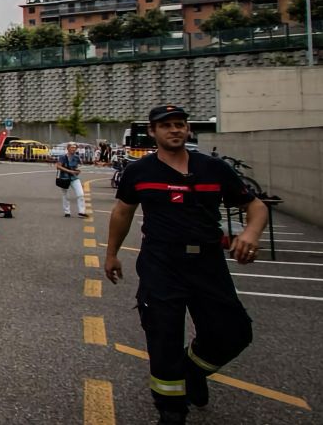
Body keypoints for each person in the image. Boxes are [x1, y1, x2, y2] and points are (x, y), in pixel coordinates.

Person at [104, 105, 268, 424]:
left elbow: (255, 205)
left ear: (188, 129)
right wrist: (111, 254)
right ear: (153, 132)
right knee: (163, 335)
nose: (174, 130)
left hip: (207, 261)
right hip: (160, 261)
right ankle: (171, 409)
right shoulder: (139, 171)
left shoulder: (214, 168)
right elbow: (122, 212)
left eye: (180, 125)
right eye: (166, 126)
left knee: (233, 332)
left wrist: (251, 232)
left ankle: (193, 371)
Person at [54, 143, 89, 219]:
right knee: (66, 195)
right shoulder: (63, 157)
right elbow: (58, 166)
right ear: (68, 148)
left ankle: (81, 212)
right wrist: (70, 171)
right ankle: (67, 212)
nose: (73, 149)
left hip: (74, 178)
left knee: (80, 194)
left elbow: (78, 166)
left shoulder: (77, 157)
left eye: (75, 148)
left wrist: (78, 170)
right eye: (72, 147)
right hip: (64, 178)